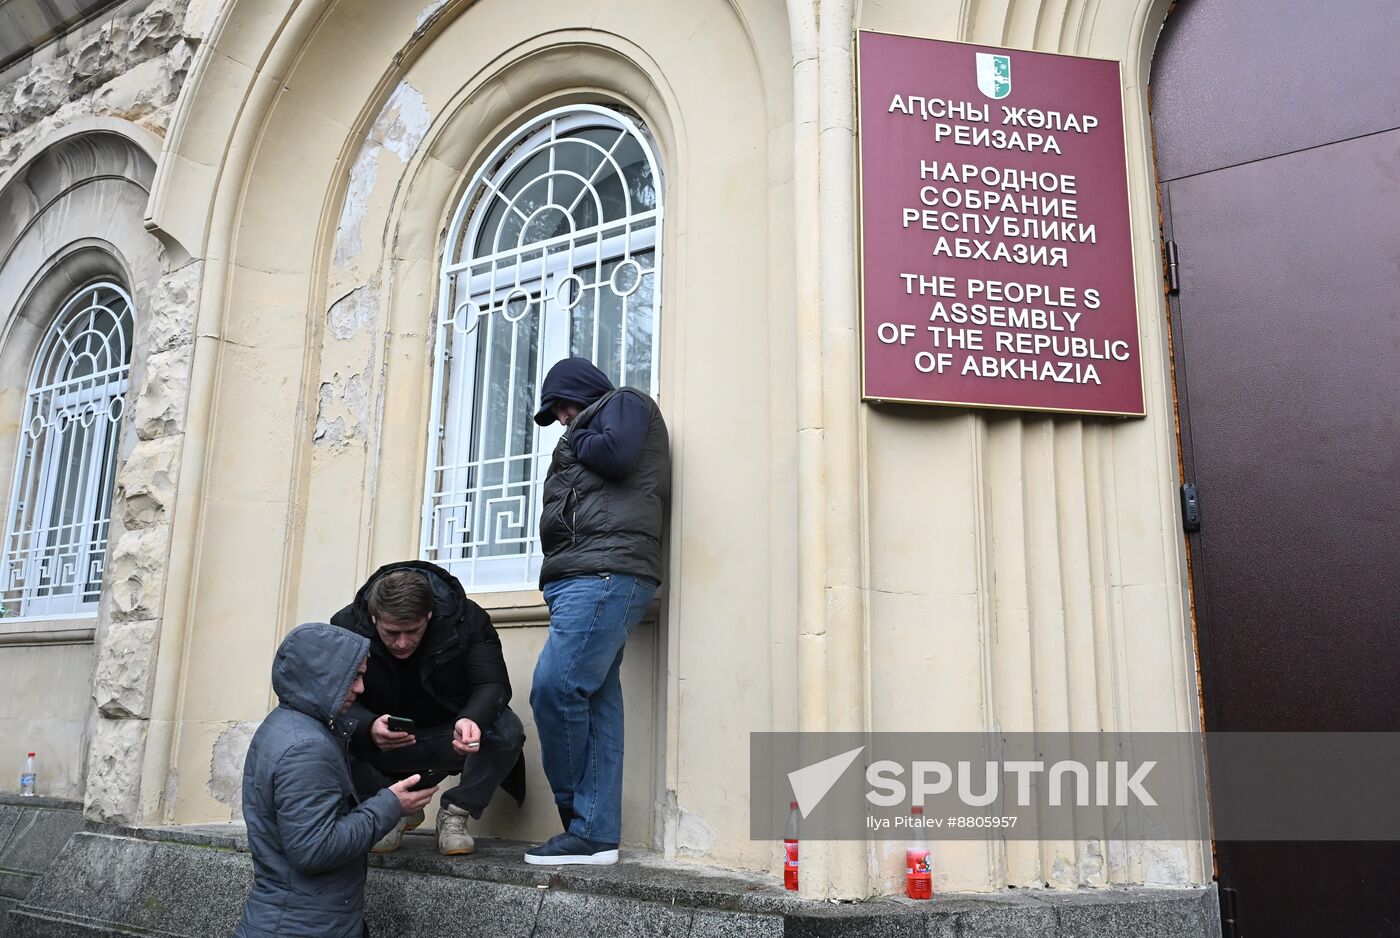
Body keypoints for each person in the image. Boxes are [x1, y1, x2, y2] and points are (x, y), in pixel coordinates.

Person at [525, 357, 670, 865]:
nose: (561, 419)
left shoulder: (625, 402)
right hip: (582, 578)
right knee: (599, 705)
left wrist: (575, 438)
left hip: (605, 574)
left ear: (582, 392)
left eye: (562, 407)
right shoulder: (586, 429)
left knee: (555, 687)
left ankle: (577, 812)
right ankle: (598, 834)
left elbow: (617, 454)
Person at [236, 622, 437, 937]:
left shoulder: (288, 725)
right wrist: (392, 804)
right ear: (322, 677)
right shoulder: (306, 747)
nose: (360, 689)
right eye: (354, 677)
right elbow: (315, 849)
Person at [330, 561, 526, 856]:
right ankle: (388, 808)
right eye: (391, 632)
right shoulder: (345, 626)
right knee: (325, 731)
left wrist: (470, 720)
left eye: (412, 631)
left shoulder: (468, 619)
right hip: (381, 742)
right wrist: (369, 725)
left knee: (506, 729)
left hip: (448, 737)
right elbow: (330, 696)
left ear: (429, 615)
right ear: (373, 618)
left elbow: (493, 685)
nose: (402, 642)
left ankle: (456, 814)